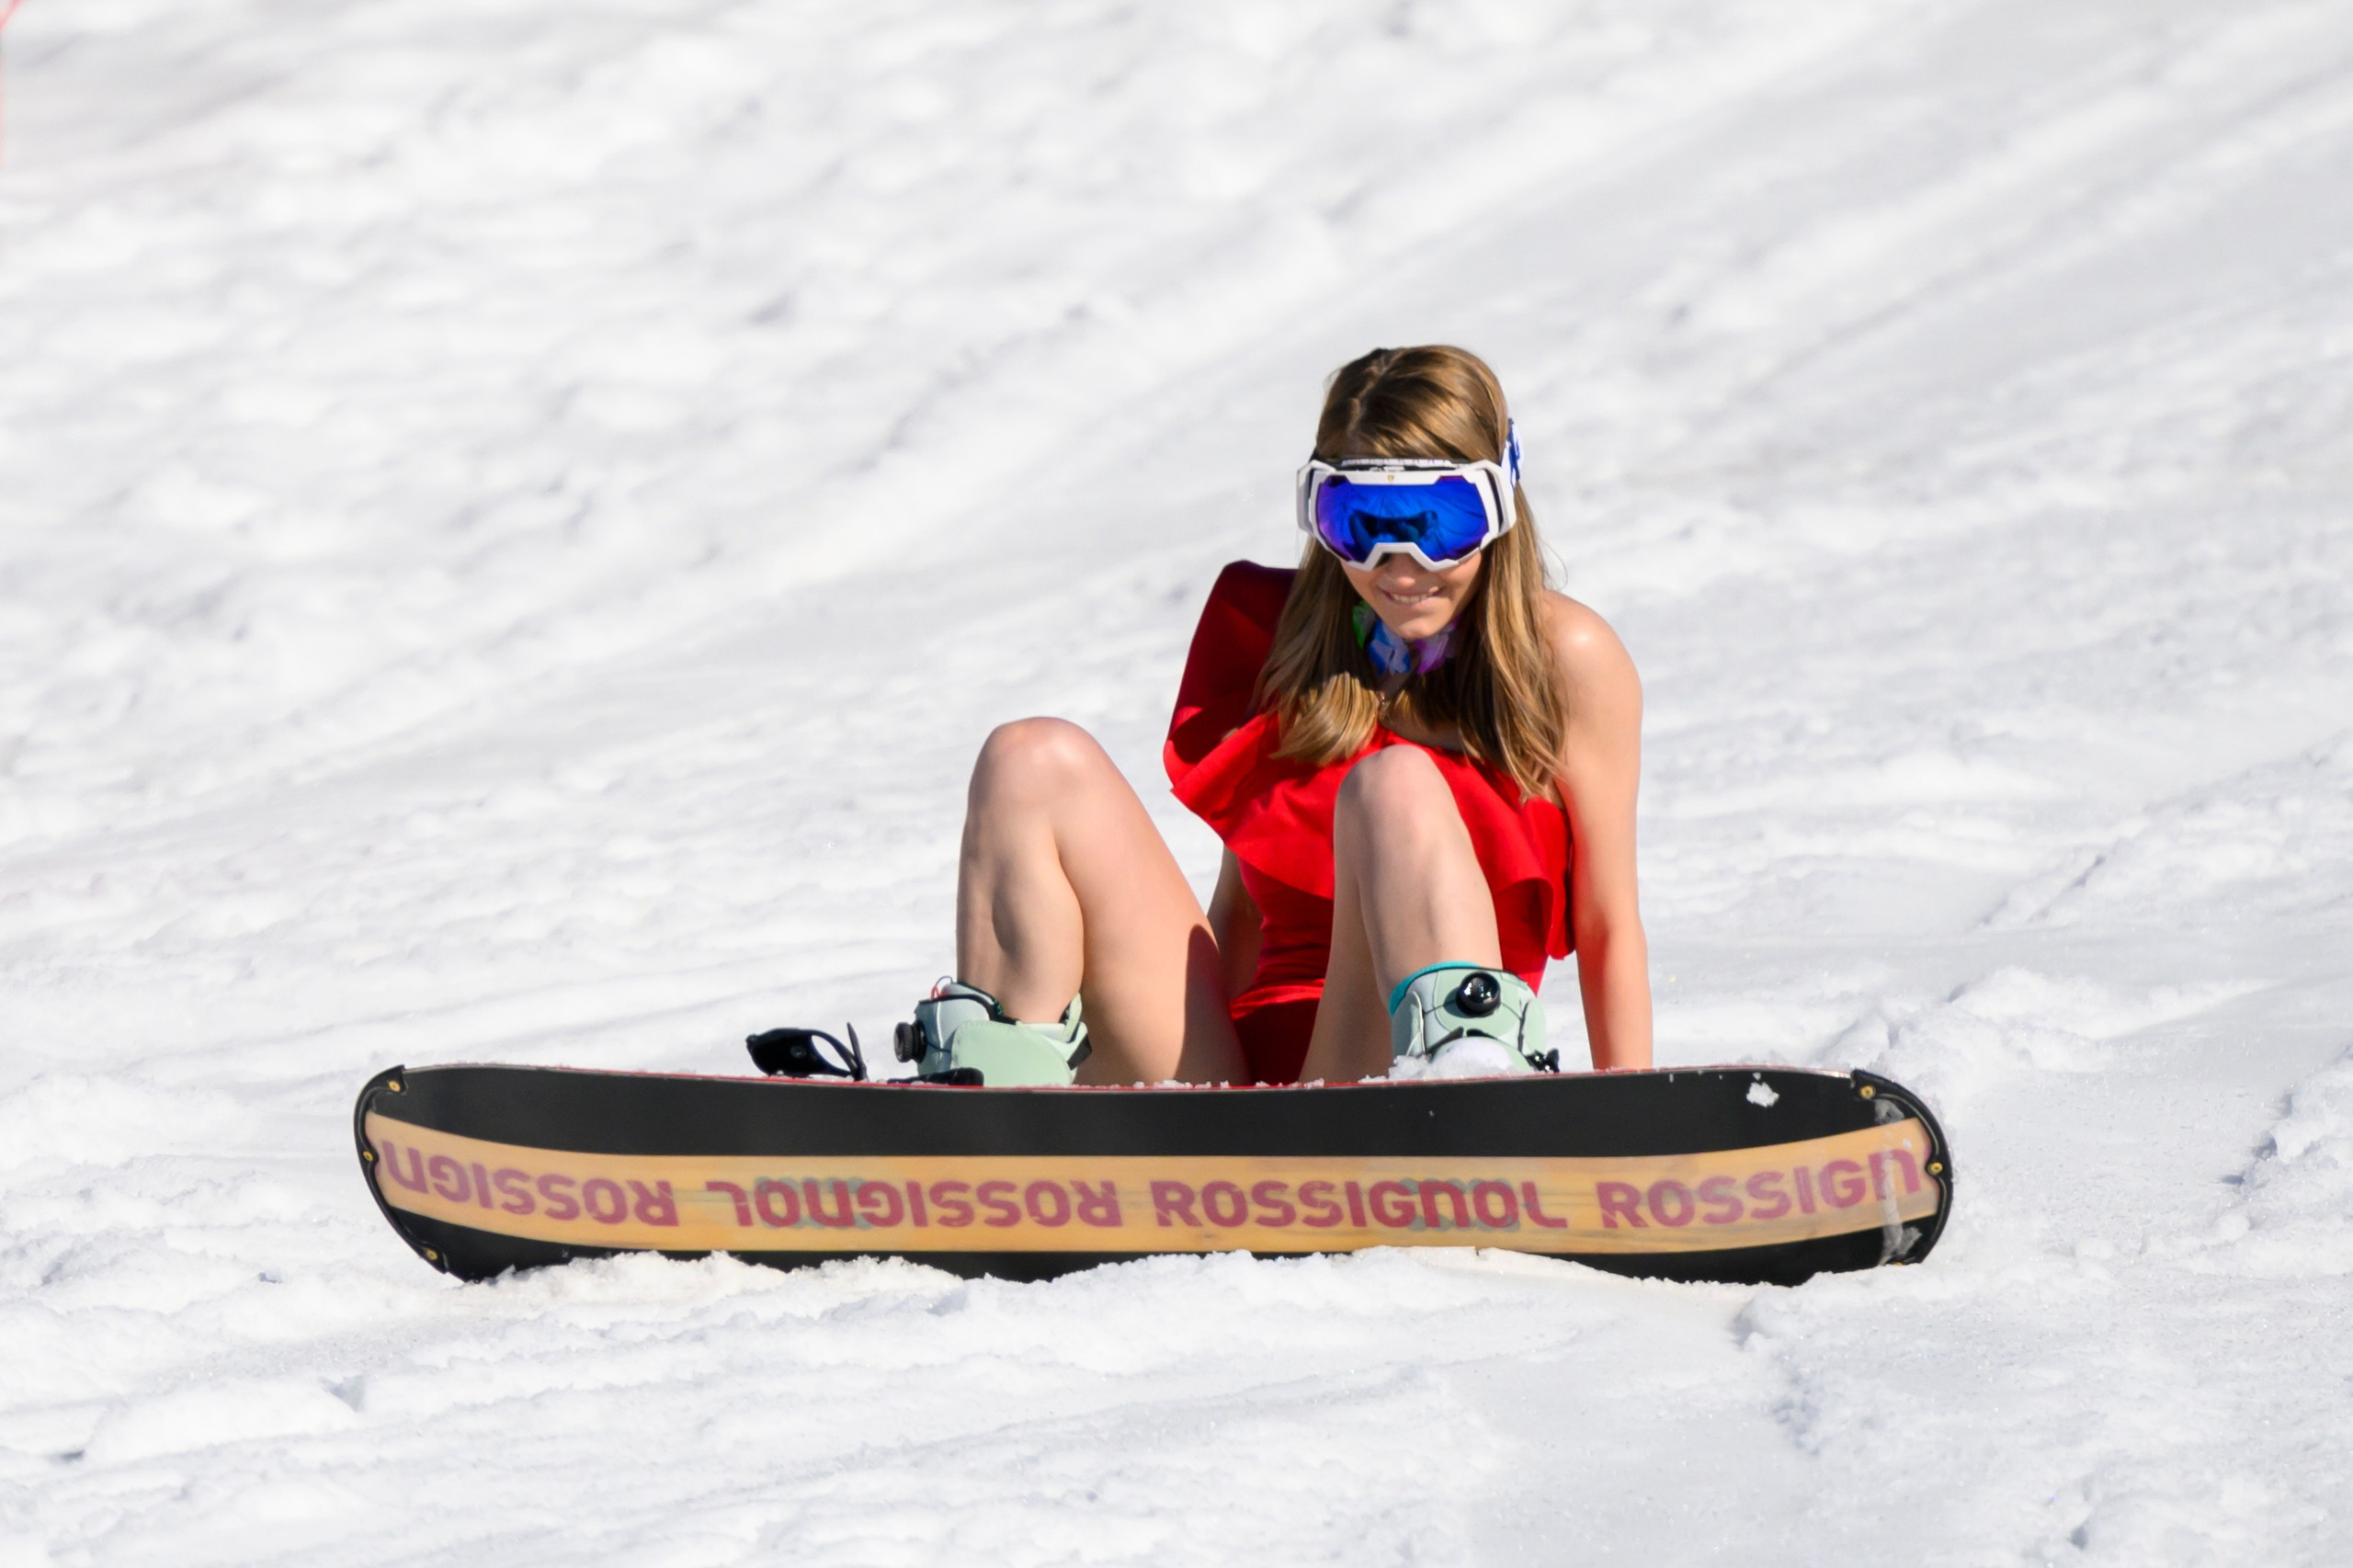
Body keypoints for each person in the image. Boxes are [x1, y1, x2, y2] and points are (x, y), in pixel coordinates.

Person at [893, 346, 1652, 1086]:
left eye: (1439, 521)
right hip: (1249, 1097)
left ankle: (1468, 1095)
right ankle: (992, 1112)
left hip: (1381, 1073)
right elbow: (1243, 914)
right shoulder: (1290, 643)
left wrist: (1635, 1139)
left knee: (1396, 783)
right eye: (1359, 521)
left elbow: (1607, 925)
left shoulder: (1565, 660)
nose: (1399, 564)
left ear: (1498, 506)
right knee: (1027, 757)